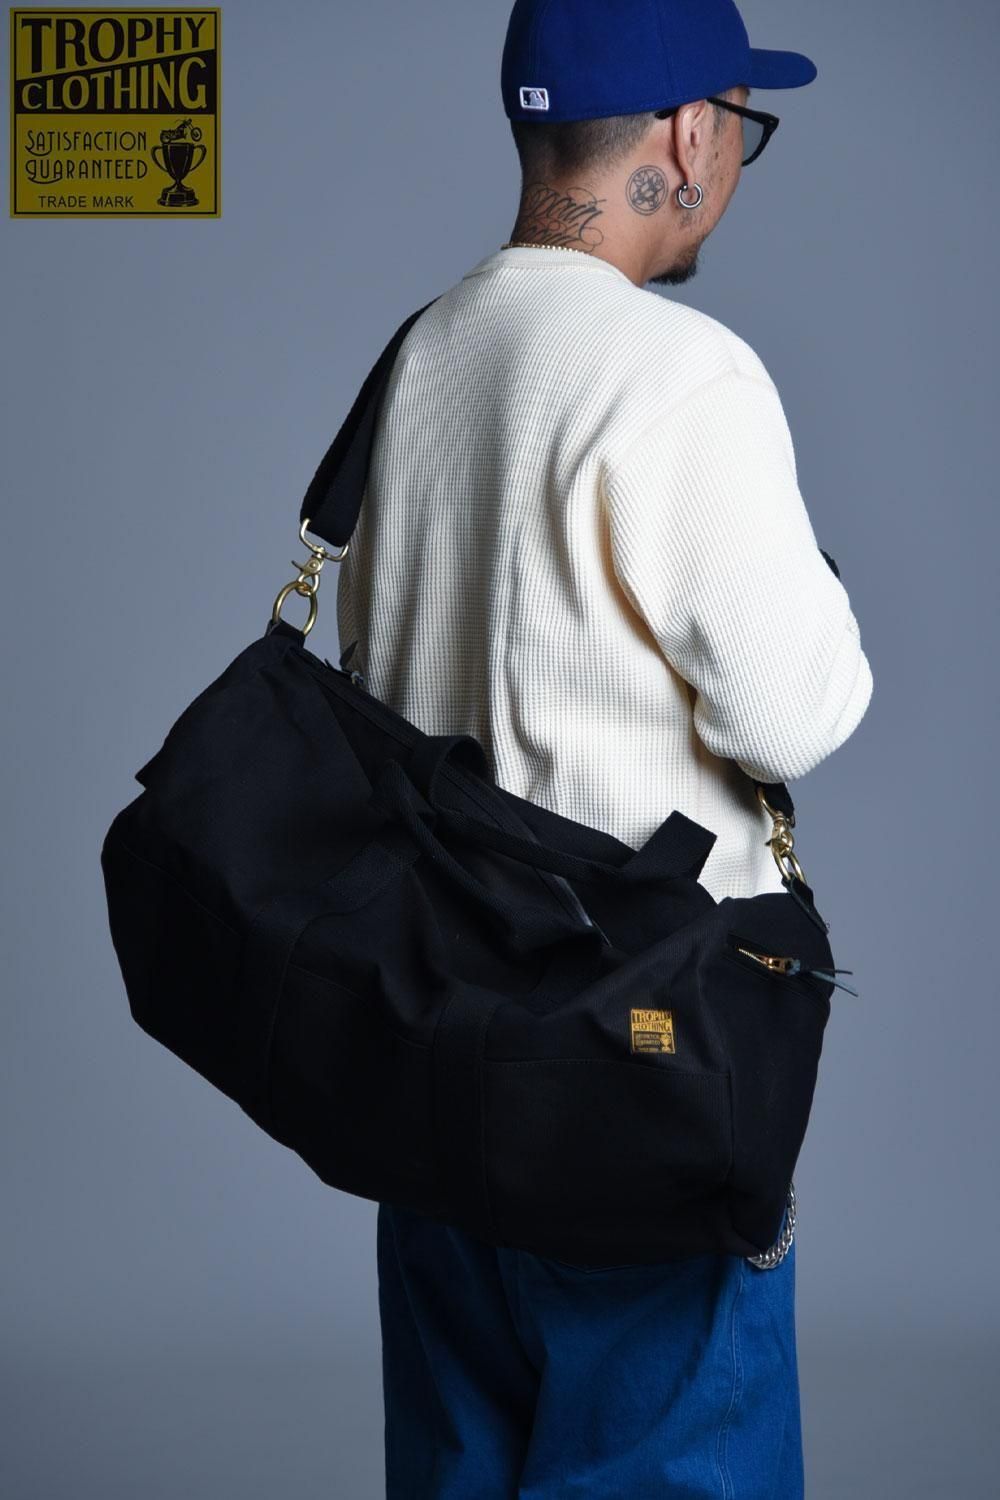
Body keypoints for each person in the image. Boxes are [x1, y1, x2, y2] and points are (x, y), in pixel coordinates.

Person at [335, 1, 874, 1494]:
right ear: (691, 134)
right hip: (635, 1068)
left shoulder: (423, 355)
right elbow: (795, 710)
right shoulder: (682, 373)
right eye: (740, 128)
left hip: (438, 1061)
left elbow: (373, 686)